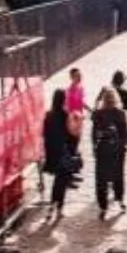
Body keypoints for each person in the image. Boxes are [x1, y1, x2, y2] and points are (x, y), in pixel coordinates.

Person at [92, 87, 127, 218]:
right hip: (117, 149)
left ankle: (103, 206)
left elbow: (94, 134)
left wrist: (94, 148)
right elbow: (125, 133)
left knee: (101, 179)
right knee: (118, 176)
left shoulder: (98, 114)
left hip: (103, 149)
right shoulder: (120, 113)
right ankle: (120, 199)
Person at [43, 88, 80, 220]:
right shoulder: (65, 114)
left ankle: (54, 206)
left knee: (58, 181)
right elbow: (72, 134)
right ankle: (56, 207)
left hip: (52, 152)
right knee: (61, 182)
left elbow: (44, 134)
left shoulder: (48, 115)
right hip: (63, 152)